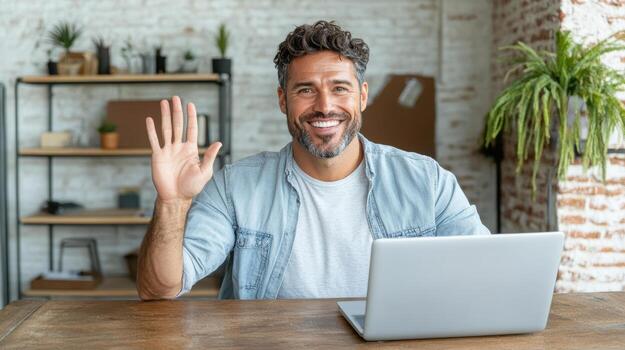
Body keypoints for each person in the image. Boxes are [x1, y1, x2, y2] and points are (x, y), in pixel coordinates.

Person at [137, 20, 490, 301]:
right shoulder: (236, 187)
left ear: (362, 96)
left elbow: (485, 272)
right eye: (306, 90)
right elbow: (161, 288)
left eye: (340, 88)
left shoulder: (427, 181)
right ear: (282, 100)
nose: (324, 105)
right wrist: (173, 203)